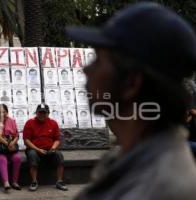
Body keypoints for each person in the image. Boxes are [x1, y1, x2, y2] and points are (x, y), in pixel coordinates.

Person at [66, 2, 196, 199]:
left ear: (131, 84)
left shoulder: (156, 189)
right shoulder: (132, 157)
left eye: (99, 61)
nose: (86, 69)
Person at [23, 104, 68, 191]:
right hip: (34, 149)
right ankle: (34, 181)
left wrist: (54, 148)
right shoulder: (30, 123)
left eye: (44, 113)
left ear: (48, 113)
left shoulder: (53, 123)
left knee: (59, 155)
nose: (42, 115)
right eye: (40, 113)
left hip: (49, 149)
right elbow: (26, 140)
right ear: (36, 113)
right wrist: (37, 149)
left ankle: (59, 181)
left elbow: (57, 139)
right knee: (32, 155)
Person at [0, 104, 22, 191]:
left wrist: (13, 143)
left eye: (4, 112)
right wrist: (8, 144)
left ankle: (15, 182)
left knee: (17, 158)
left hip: (10, 149)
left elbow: (16, 135)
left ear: (7, 112)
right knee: (2, 159)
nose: (2, 114)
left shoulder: (12, 121)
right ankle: (6, 182)